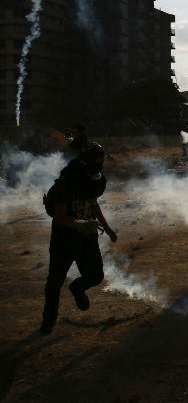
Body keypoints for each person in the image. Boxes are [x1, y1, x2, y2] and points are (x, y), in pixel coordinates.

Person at [40, 143, 116, 335]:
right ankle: (48, 322)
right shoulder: (67, 183)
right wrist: (79, 224)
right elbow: (59, 215)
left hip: (87, 239)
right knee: (55, 281)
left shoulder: (95, 181)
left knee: (96, 276)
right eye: (99, 160)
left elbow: (93, 202)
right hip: (64, 239)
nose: (101, 164)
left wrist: (107, 227)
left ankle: (77, 288)